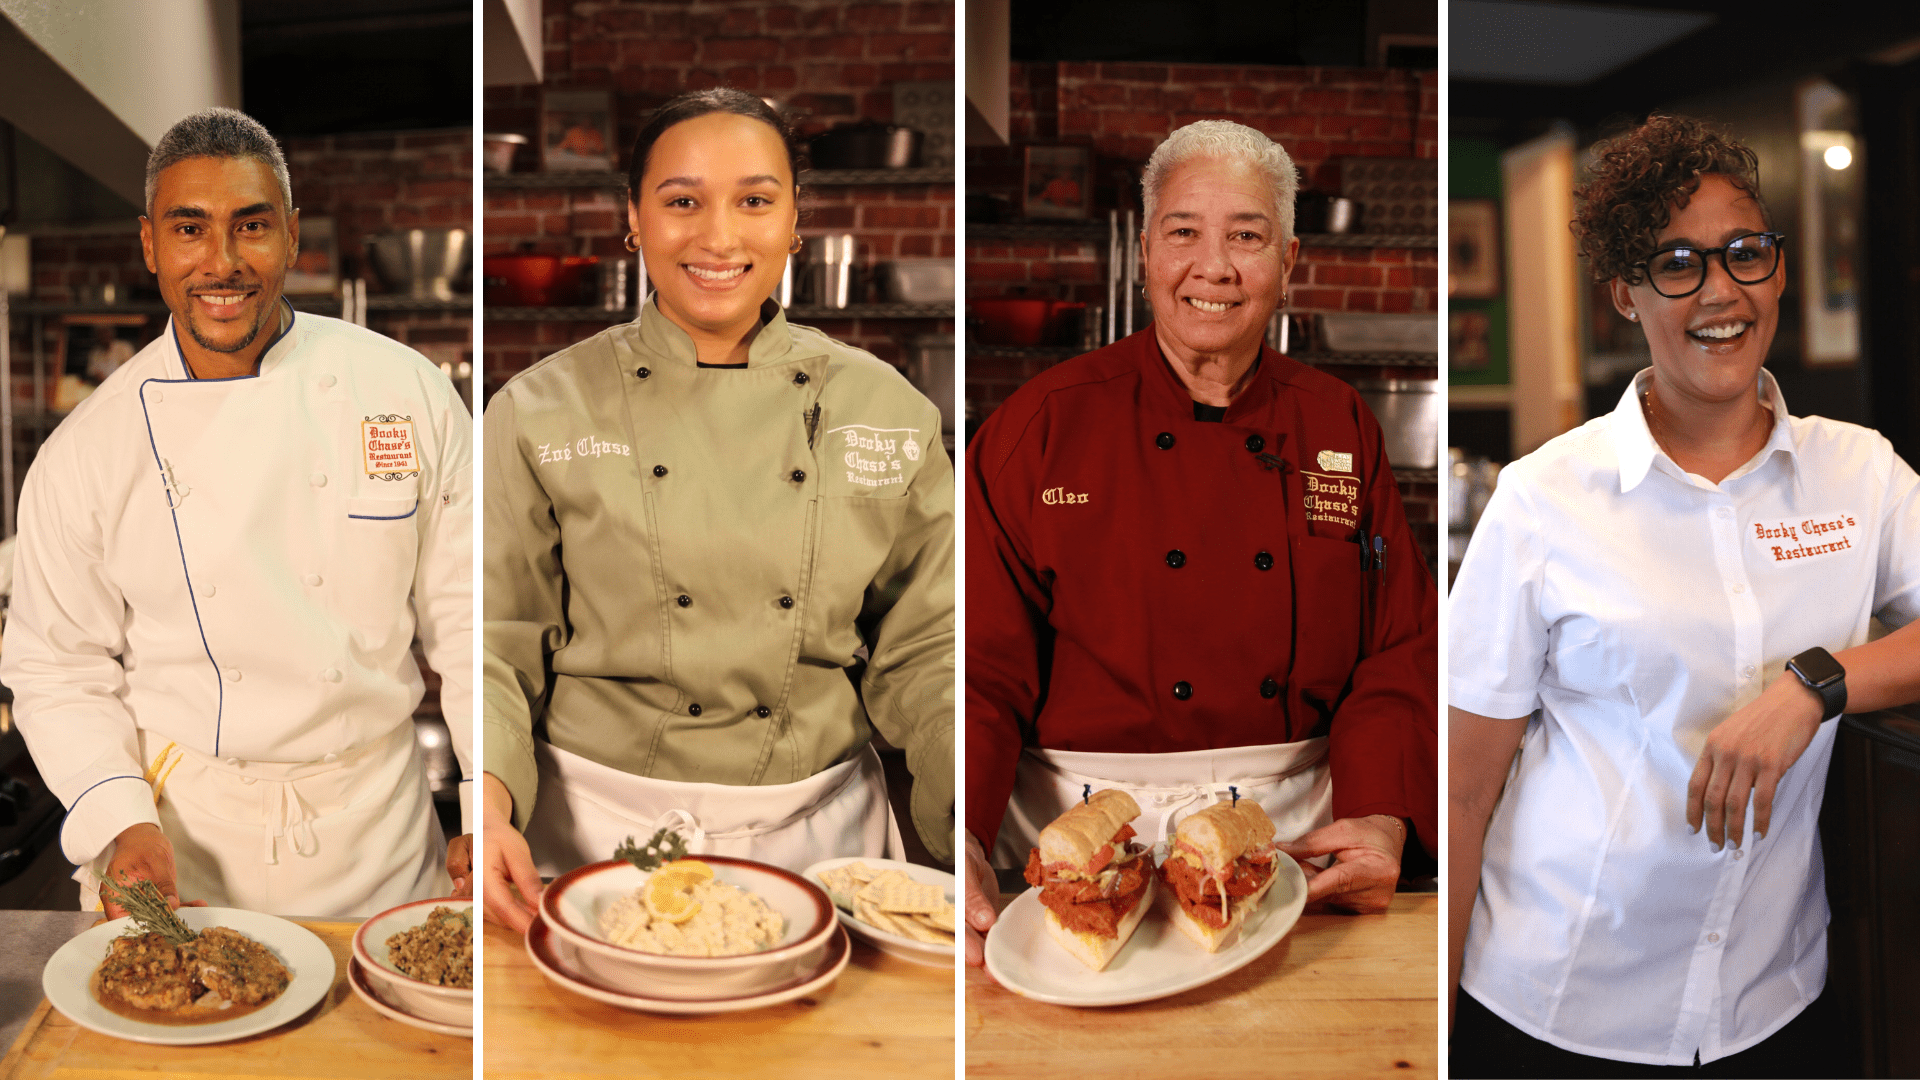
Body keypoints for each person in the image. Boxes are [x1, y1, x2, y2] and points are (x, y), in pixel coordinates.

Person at [1448, 114, 1920, 1077]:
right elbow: (1462, 788)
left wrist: (1813, 688)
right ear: (1624, 293)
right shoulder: (1544, 497)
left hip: (1773, 998)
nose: (1721, 291)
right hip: (1559, 999)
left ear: (1779, 270)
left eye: (1745, 253)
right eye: (1676, 264)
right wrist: (1434, 1036)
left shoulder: (1860, 473)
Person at [964, 120, 1437, 966]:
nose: (1213, 268)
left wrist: (1379, 816)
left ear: (1289, 260)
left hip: (1289, 844)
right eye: (1184, 232)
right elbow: (978, 666)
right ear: (1146, 249)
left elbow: (1395, 648)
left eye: (1246, 237)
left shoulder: (1339, 423)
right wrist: (960, 827)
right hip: (1078, 839)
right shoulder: (1036, 428)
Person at [483, 88, 954, 931]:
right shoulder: (538, 408)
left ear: (794, 221)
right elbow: (495, 636)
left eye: (755, 200)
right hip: (597, 837)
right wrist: (485, 802)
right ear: (633, 219)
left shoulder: (885, 407)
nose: (719, 236)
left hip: (817, 842)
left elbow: (931, 644)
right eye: (682, 201)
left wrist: (970, 810)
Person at [2, 107, 473, 919]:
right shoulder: (88, 449)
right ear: (150, 244)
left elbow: (472, 618)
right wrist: (118, 820)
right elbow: (57, 666)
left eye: (250, 226)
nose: (221, 262)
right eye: (190, 229)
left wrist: (488, 794)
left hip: (381, 839)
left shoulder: (405, 393)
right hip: (181, 846)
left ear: (291, 237)